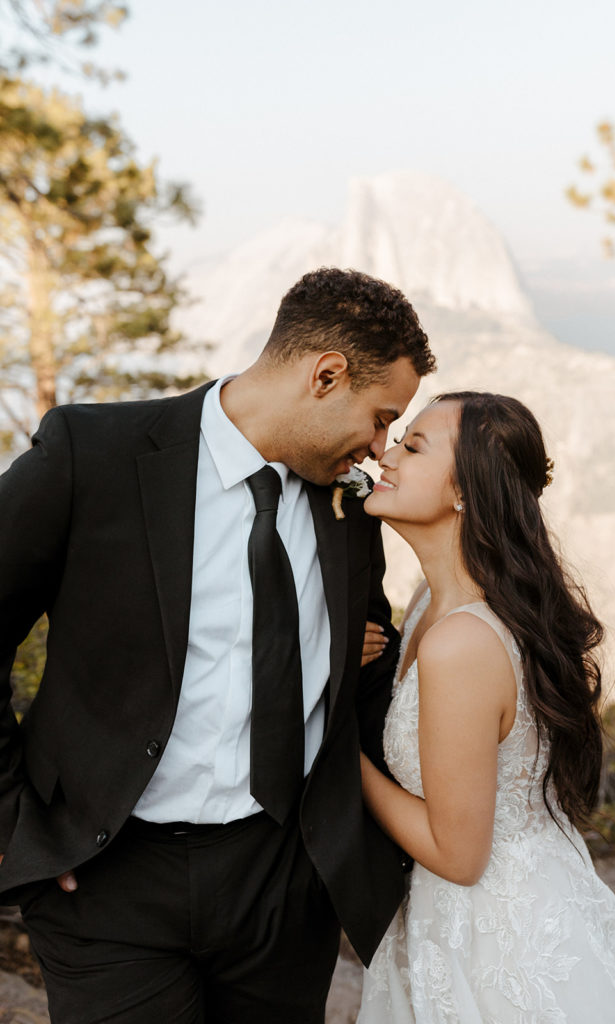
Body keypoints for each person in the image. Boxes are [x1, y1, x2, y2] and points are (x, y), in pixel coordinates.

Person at [0, 267, 437, 1024]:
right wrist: (10, 824)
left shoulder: (350, 507)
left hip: (283, 888)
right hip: (108, 882)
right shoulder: (93, 453)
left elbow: (364, 668)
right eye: (378, 418)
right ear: (325, 375)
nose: (377, 448)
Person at [357, 391, 615, 1023]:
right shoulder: (430, 602)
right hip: (449, 919)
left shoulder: (462, 642)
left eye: (413, 445)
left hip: (499, 936)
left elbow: (459, 853)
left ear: (466, 492)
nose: (385, 454)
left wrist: (333, 751)